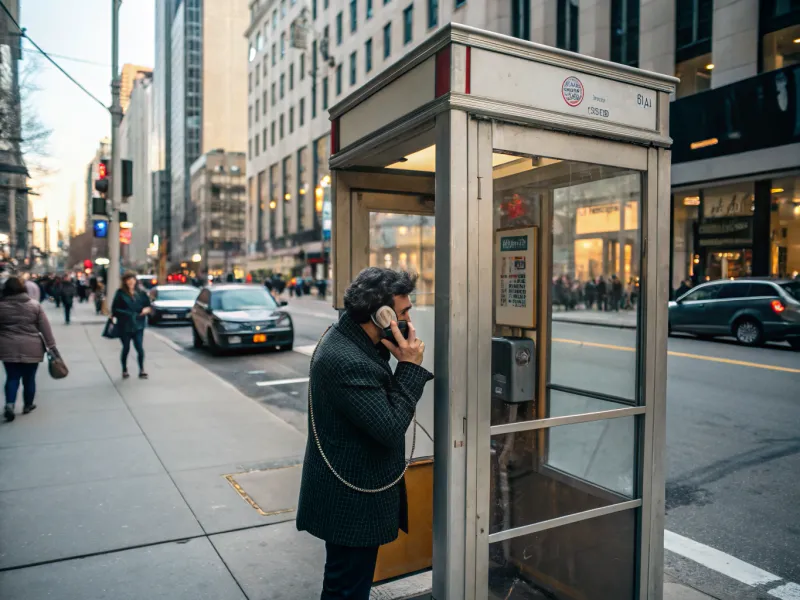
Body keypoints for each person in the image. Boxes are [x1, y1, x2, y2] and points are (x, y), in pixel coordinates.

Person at [297, 267, 432, 600]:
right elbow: (389, 426)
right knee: (346, 588)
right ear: (382, 315)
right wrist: (410, 367)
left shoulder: (351, 340)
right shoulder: (346, 360)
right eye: (403, 312)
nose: (409, 321)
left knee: (348, 581)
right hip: (350, 502)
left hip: (350, 490)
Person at [0, 276, 57, 422]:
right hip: (32, 346)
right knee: (29, 378)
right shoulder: (34, 305)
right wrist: (52, 346)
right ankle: (28, 404)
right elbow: (45, 328)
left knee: (12, 377)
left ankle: (10, 404)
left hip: (7, 347)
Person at [112, 271, 152, 379]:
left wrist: (146, 310)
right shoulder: (120, 293)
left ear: (135, 280)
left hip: (138, 324)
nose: (131, 282)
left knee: (139, 347)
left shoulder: (141, 293)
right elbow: (114, 309)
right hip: (125, 325)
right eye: (128, 280)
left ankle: (142, 369)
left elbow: (148, 305)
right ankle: (124, 369)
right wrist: (128, 314)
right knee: (126, 348)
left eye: (133, 279)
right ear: (125, 282)